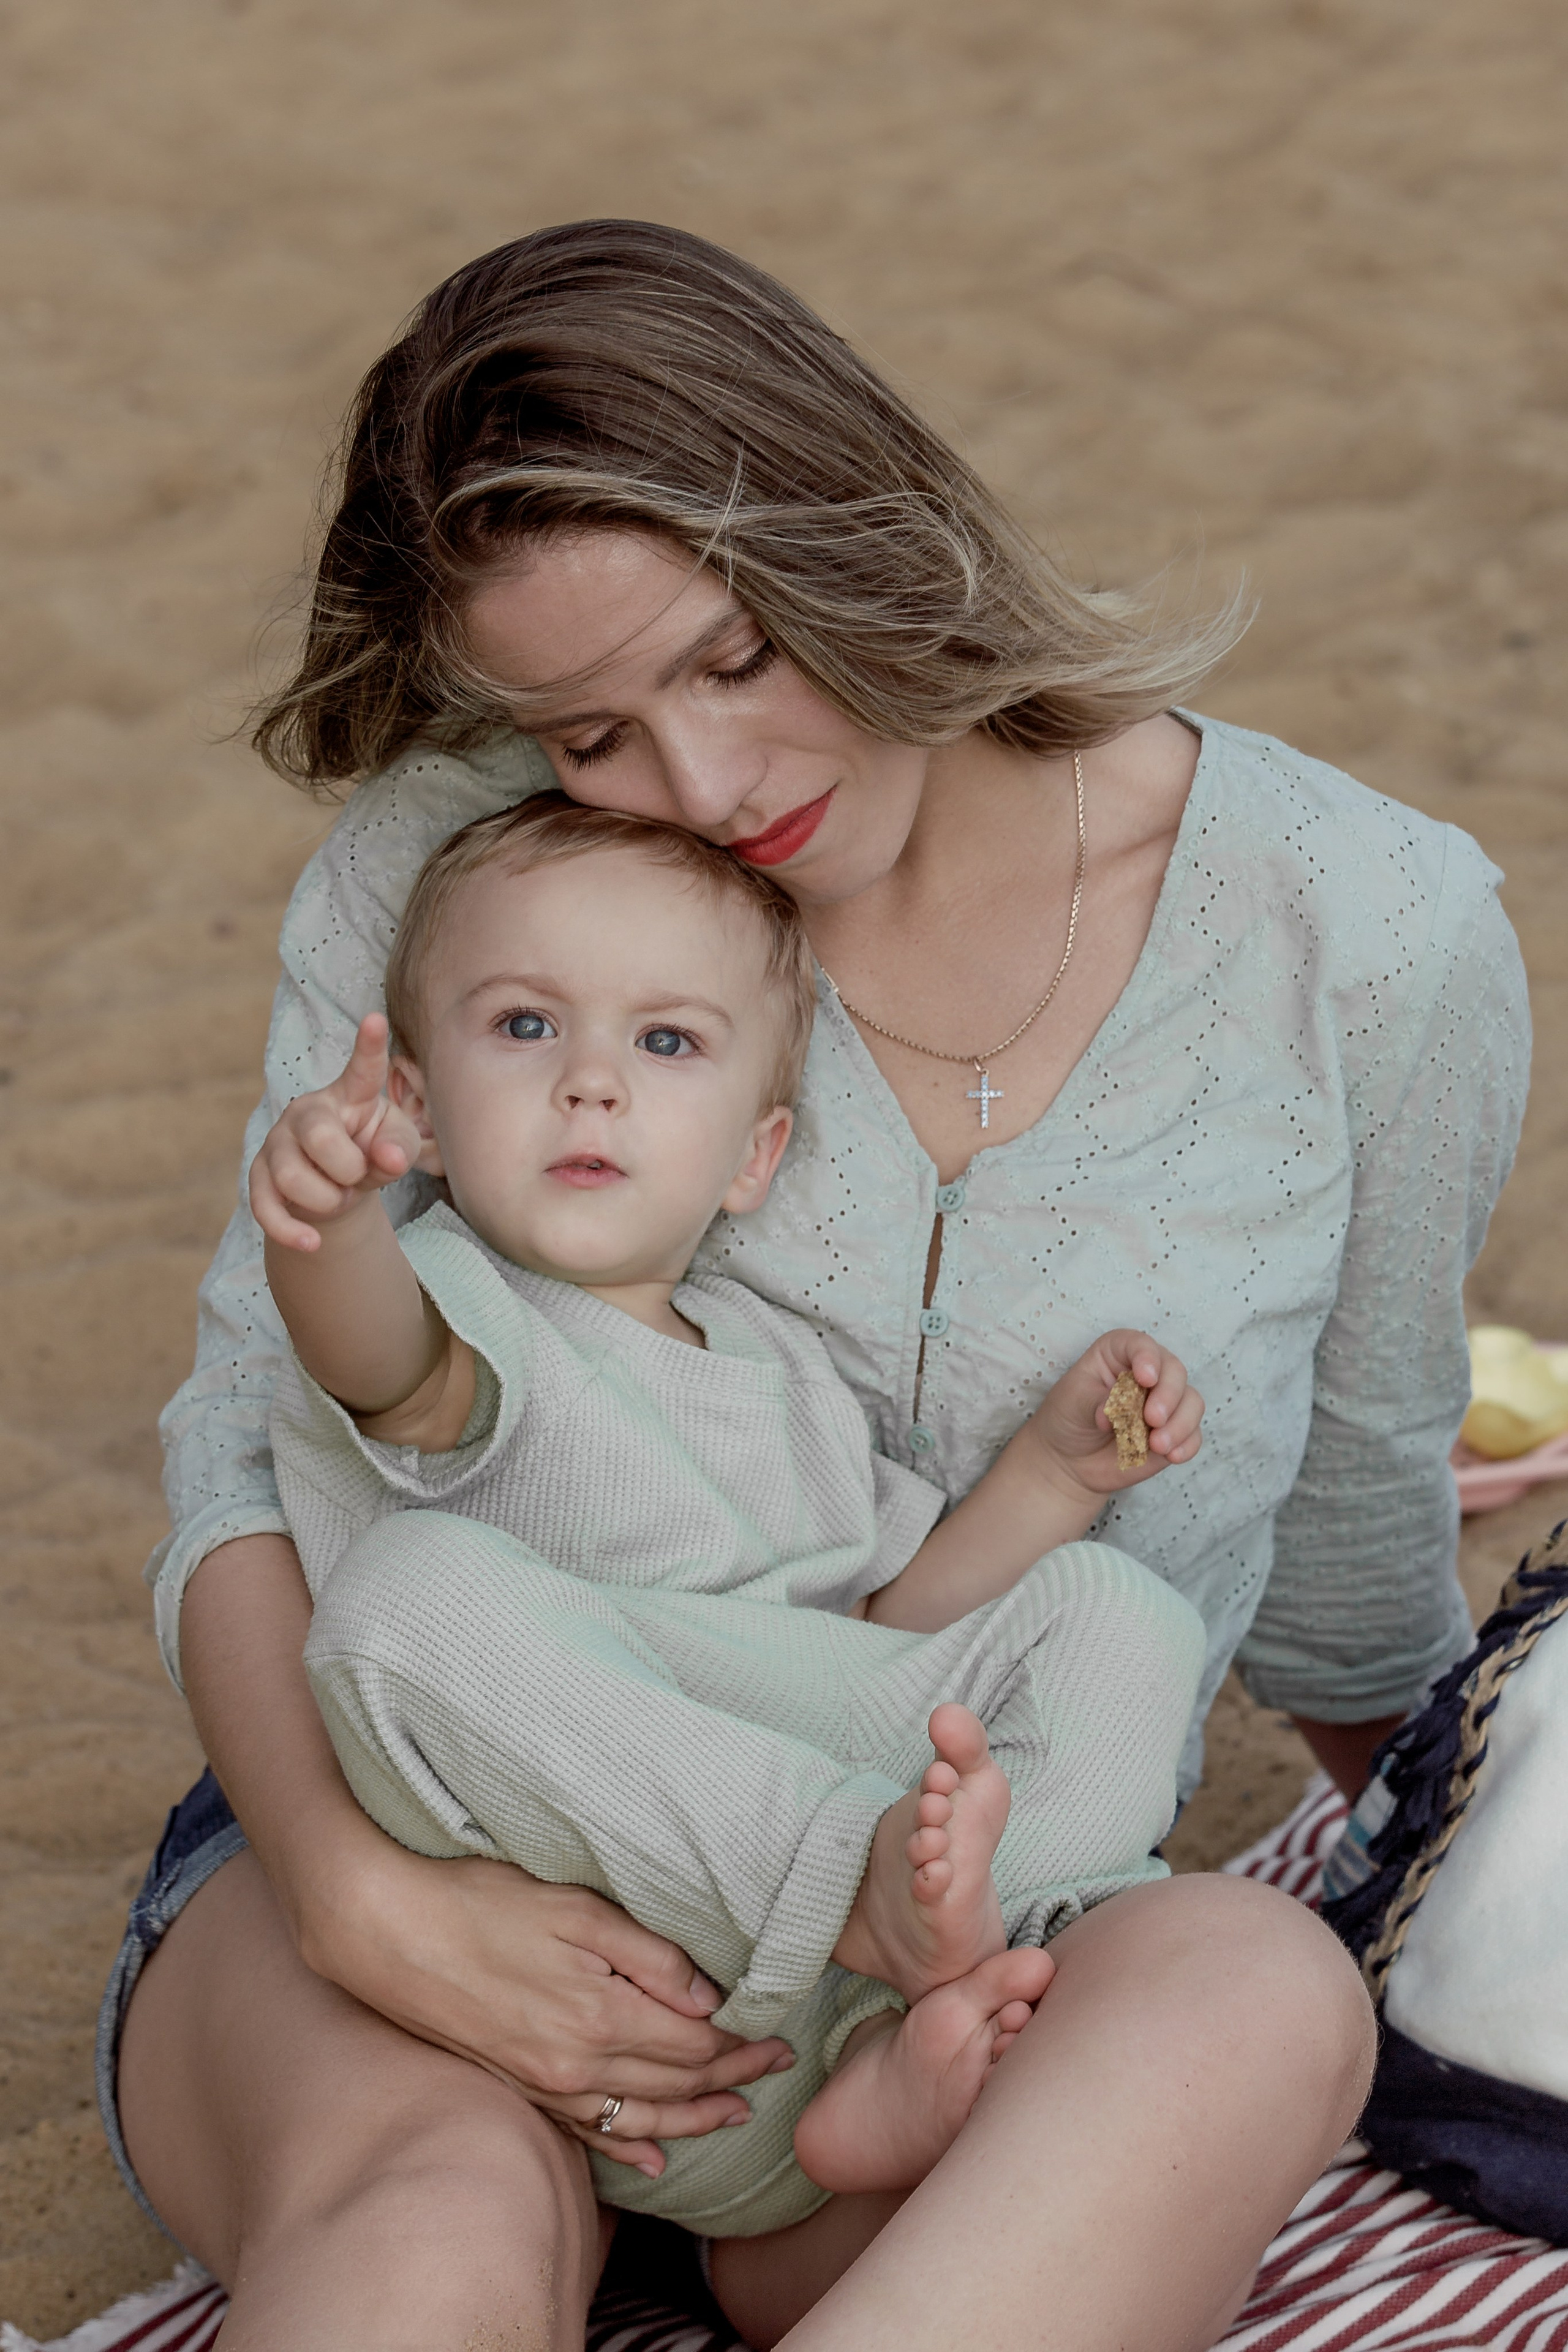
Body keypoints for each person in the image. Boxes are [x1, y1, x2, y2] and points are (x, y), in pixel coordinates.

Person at [107, 213, 1530, 2346]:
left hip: (934, 1959)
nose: (701, 791)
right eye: (588, 734)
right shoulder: (456, 869)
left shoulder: (1374, 934)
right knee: (431, 2224)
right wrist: (358, 1898)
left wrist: (1483, 1901)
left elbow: (1347, 1520)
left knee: (1256, 1985)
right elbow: (247, 1446)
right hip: (438, 1828)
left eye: (730, 658)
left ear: (869, 529)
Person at [252, 789, 1207, 2228]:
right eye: (524, 1025)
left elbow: (884, 1636)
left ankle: (956, 1988)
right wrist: (324, 1224)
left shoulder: (779, 1369)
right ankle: (859, 1908)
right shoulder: (458, 1308)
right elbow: (377, 1359)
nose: (590, 1082)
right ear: (419, 1113)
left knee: (1119, 1615)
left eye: (664, 1042)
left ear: (754, 1155)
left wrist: (1053, 1479)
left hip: (850, 1993)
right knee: (403, 1598)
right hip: (631, 1996)